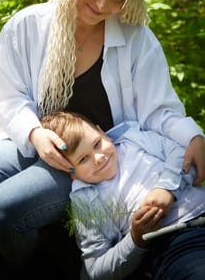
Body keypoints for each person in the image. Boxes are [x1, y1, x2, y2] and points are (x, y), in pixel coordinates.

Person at [0, 0, 205, 276]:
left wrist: (194, 137)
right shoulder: (30, 25)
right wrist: (34, 133)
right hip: (35, 139)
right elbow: (6, 93)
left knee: (2, 210)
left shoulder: (135, 38)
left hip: (94, 160)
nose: (102, 5)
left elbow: (160, 109)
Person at [41, 110, 205, 280]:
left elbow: (182, 154)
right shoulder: (85, 200)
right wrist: (136, 238)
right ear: (69, 172)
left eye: (97, 143)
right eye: (83, 159)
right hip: (174, 242)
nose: (98, 157)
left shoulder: (132, 139)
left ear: (102, 132)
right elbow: (95, 270)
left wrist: (167, 189)